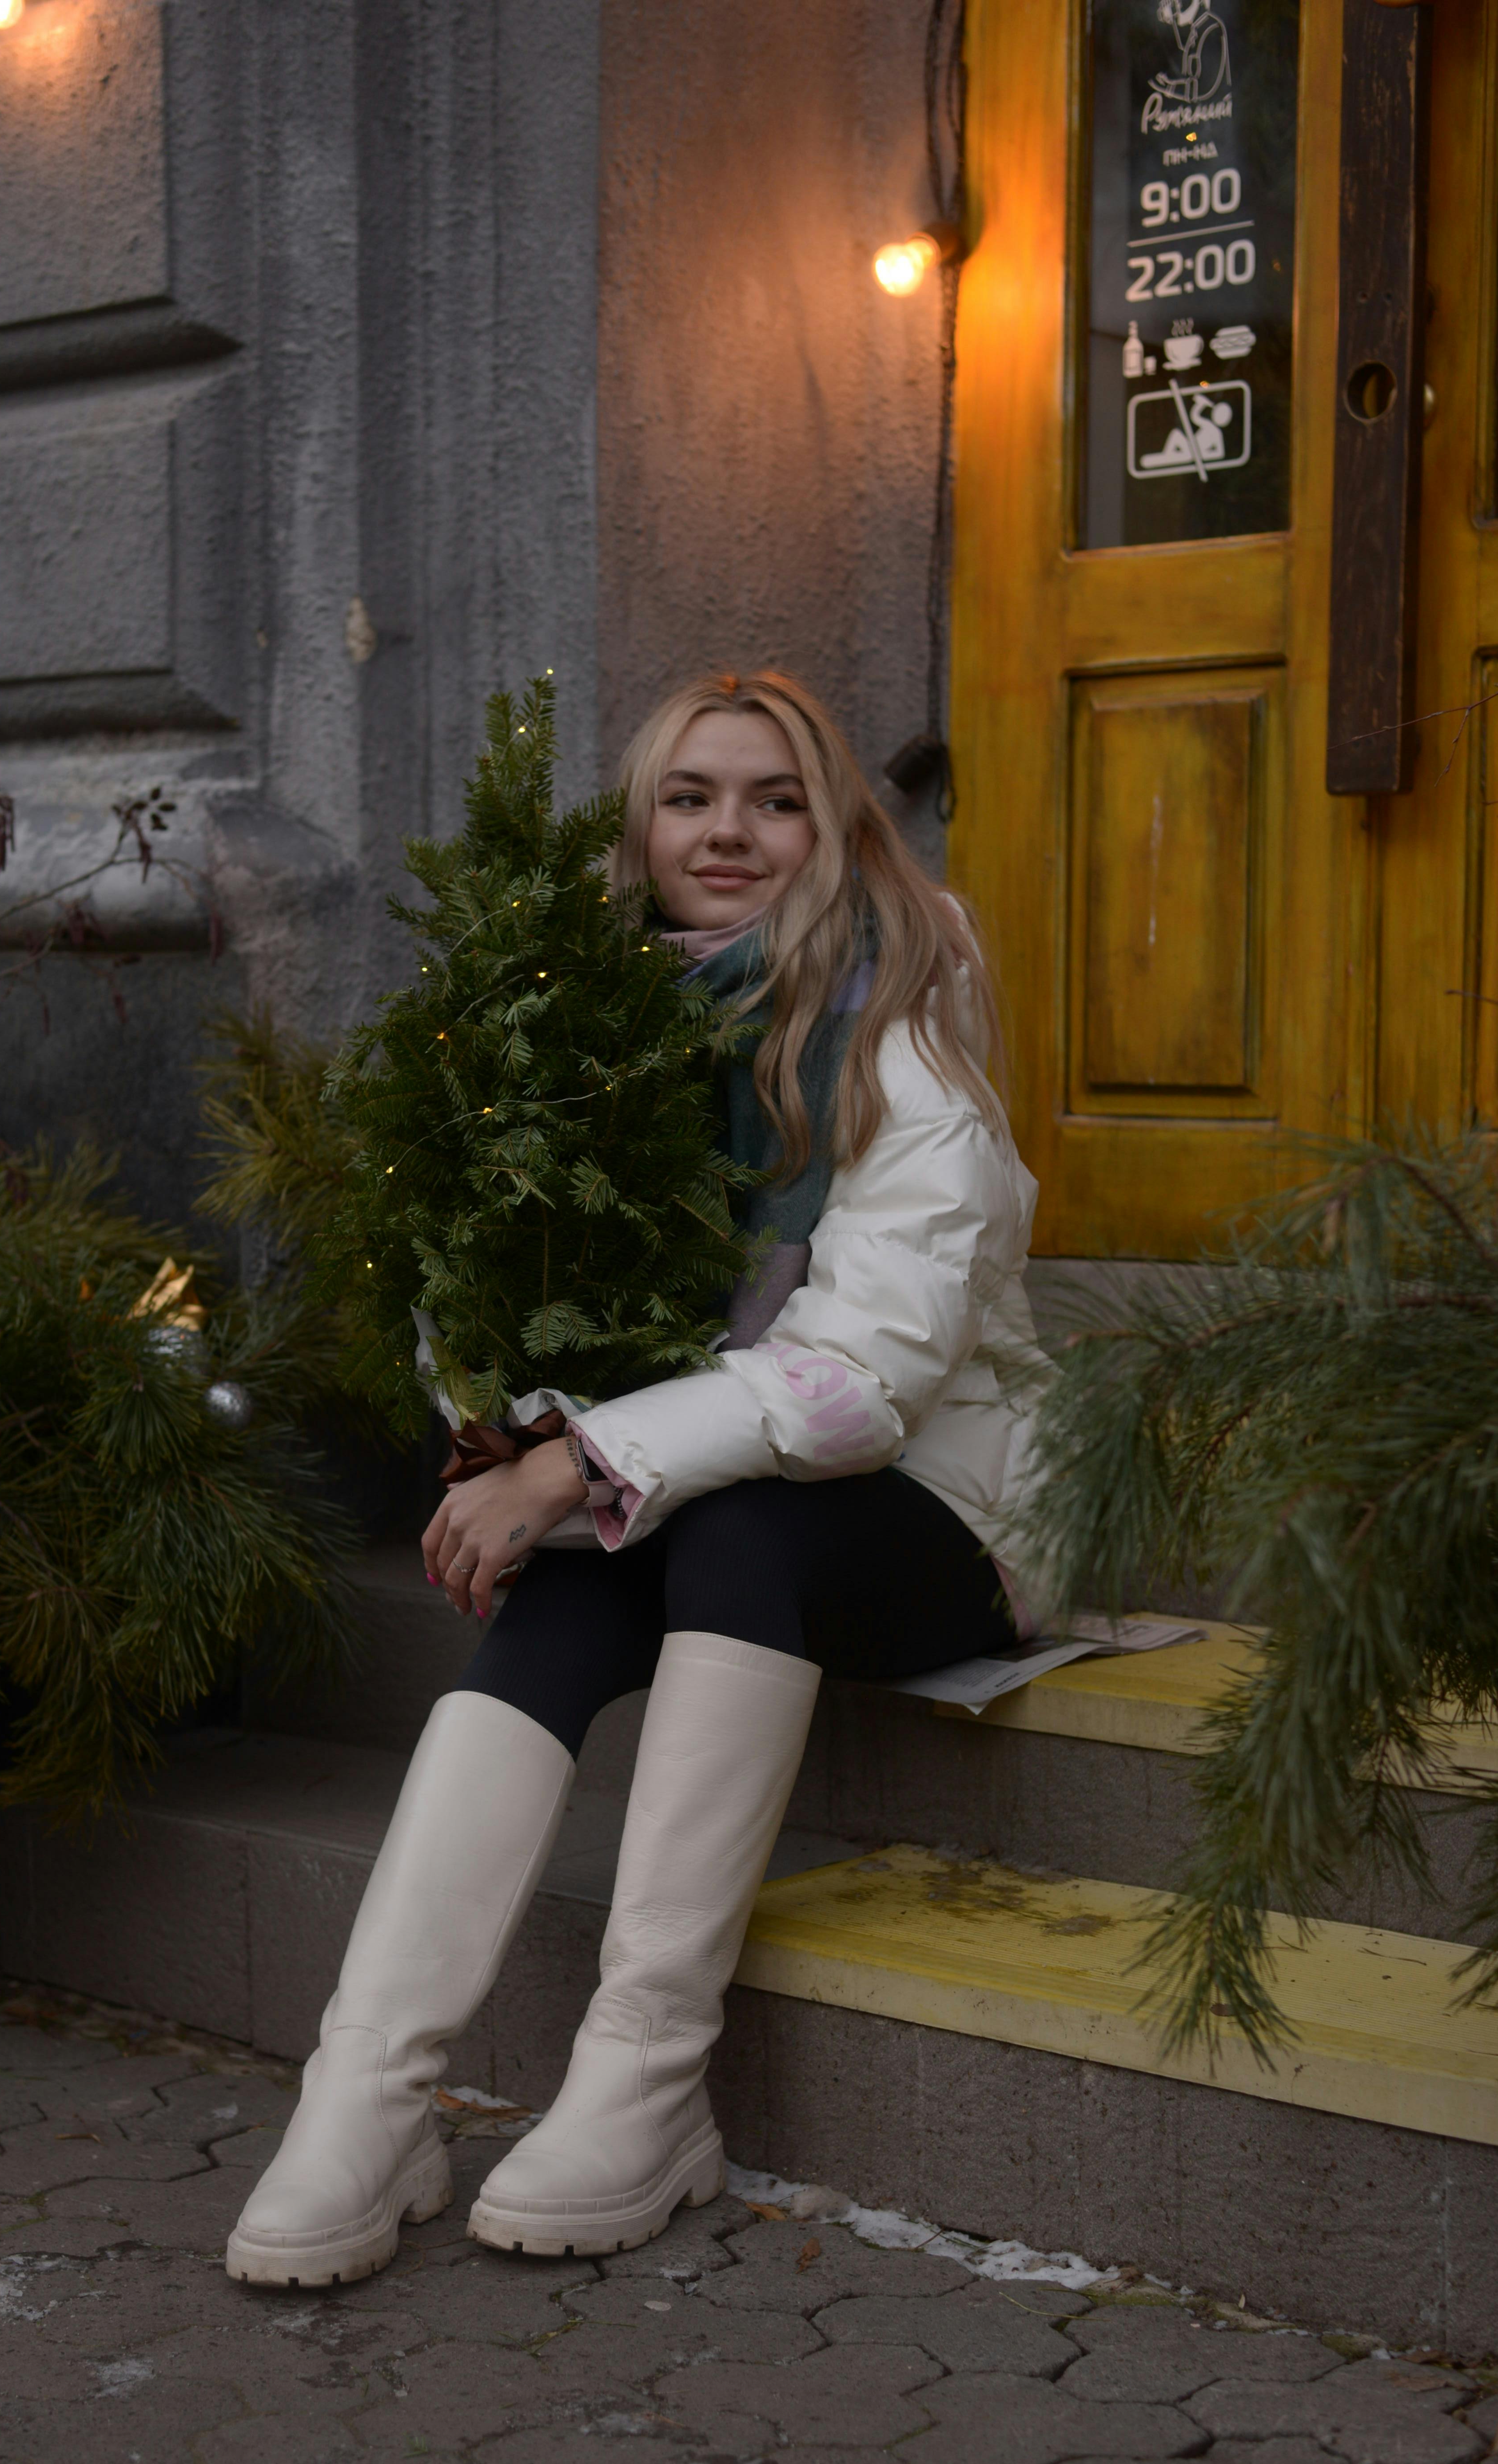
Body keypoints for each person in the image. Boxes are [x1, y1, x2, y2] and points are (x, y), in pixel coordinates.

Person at [226, 668, 1053, 2288]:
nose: (729, 833)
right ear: (641, 826)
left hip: (943, 1512)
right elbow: (494, 1282)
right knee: (599, 1553)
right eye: (691, 797)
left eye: (775, 797)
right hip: (701, 1501)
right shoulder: (584, 1032)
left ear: (832, 826)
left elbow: (861, 1383)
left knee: (719, 1513)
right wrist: (509, 1437)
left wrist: (572, 1467)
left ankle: (647, 2076)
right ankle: (370, 2094)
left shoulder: (905, 1043)